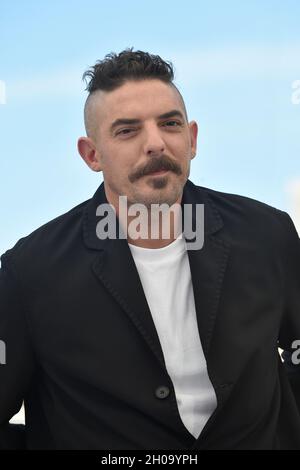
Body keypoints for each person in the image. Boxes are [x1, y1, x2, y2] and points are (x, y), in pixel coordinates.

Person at [0, 48, 300, 450]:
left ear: (191, 139)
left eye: (170, 123)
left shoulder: (267, 233)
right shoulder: (29, 273)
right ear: (92, 155)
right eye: (127, 130)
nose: (156, 143)